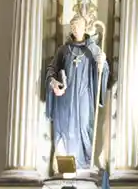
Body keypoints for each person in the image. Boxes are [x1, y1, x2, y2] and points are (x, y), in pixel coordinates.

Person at [45, 13, 109, 170]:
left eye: (78, 26)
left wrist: (102, 65)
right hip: (65, 99)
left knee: (84, 127)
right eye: (73, 26)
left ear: (85, 28)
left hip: (84, 96)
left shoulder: (93, 49)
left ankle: (85, 164)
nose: (75, 29)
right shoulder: (64, 50)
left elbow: (103, 70)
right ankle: (66, 167)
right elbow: (51, 69)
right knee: (66, 129)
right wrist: (54, 83)